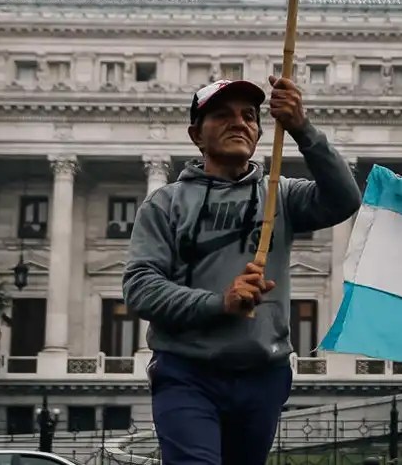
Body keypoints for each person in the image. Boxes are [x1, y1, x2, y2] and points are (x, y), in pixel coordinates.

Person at [124, 76, 361, 465]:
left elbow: (344, 199)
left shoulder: (280, 195)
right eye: (222, 115)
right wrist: (220, 302)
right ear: (196, 135)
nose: (239, 123)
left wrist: (303, 128)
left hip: (262, 374)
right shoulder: (164, 205)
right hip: (187, 372)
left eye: (249, 116)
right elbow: (140, 288)